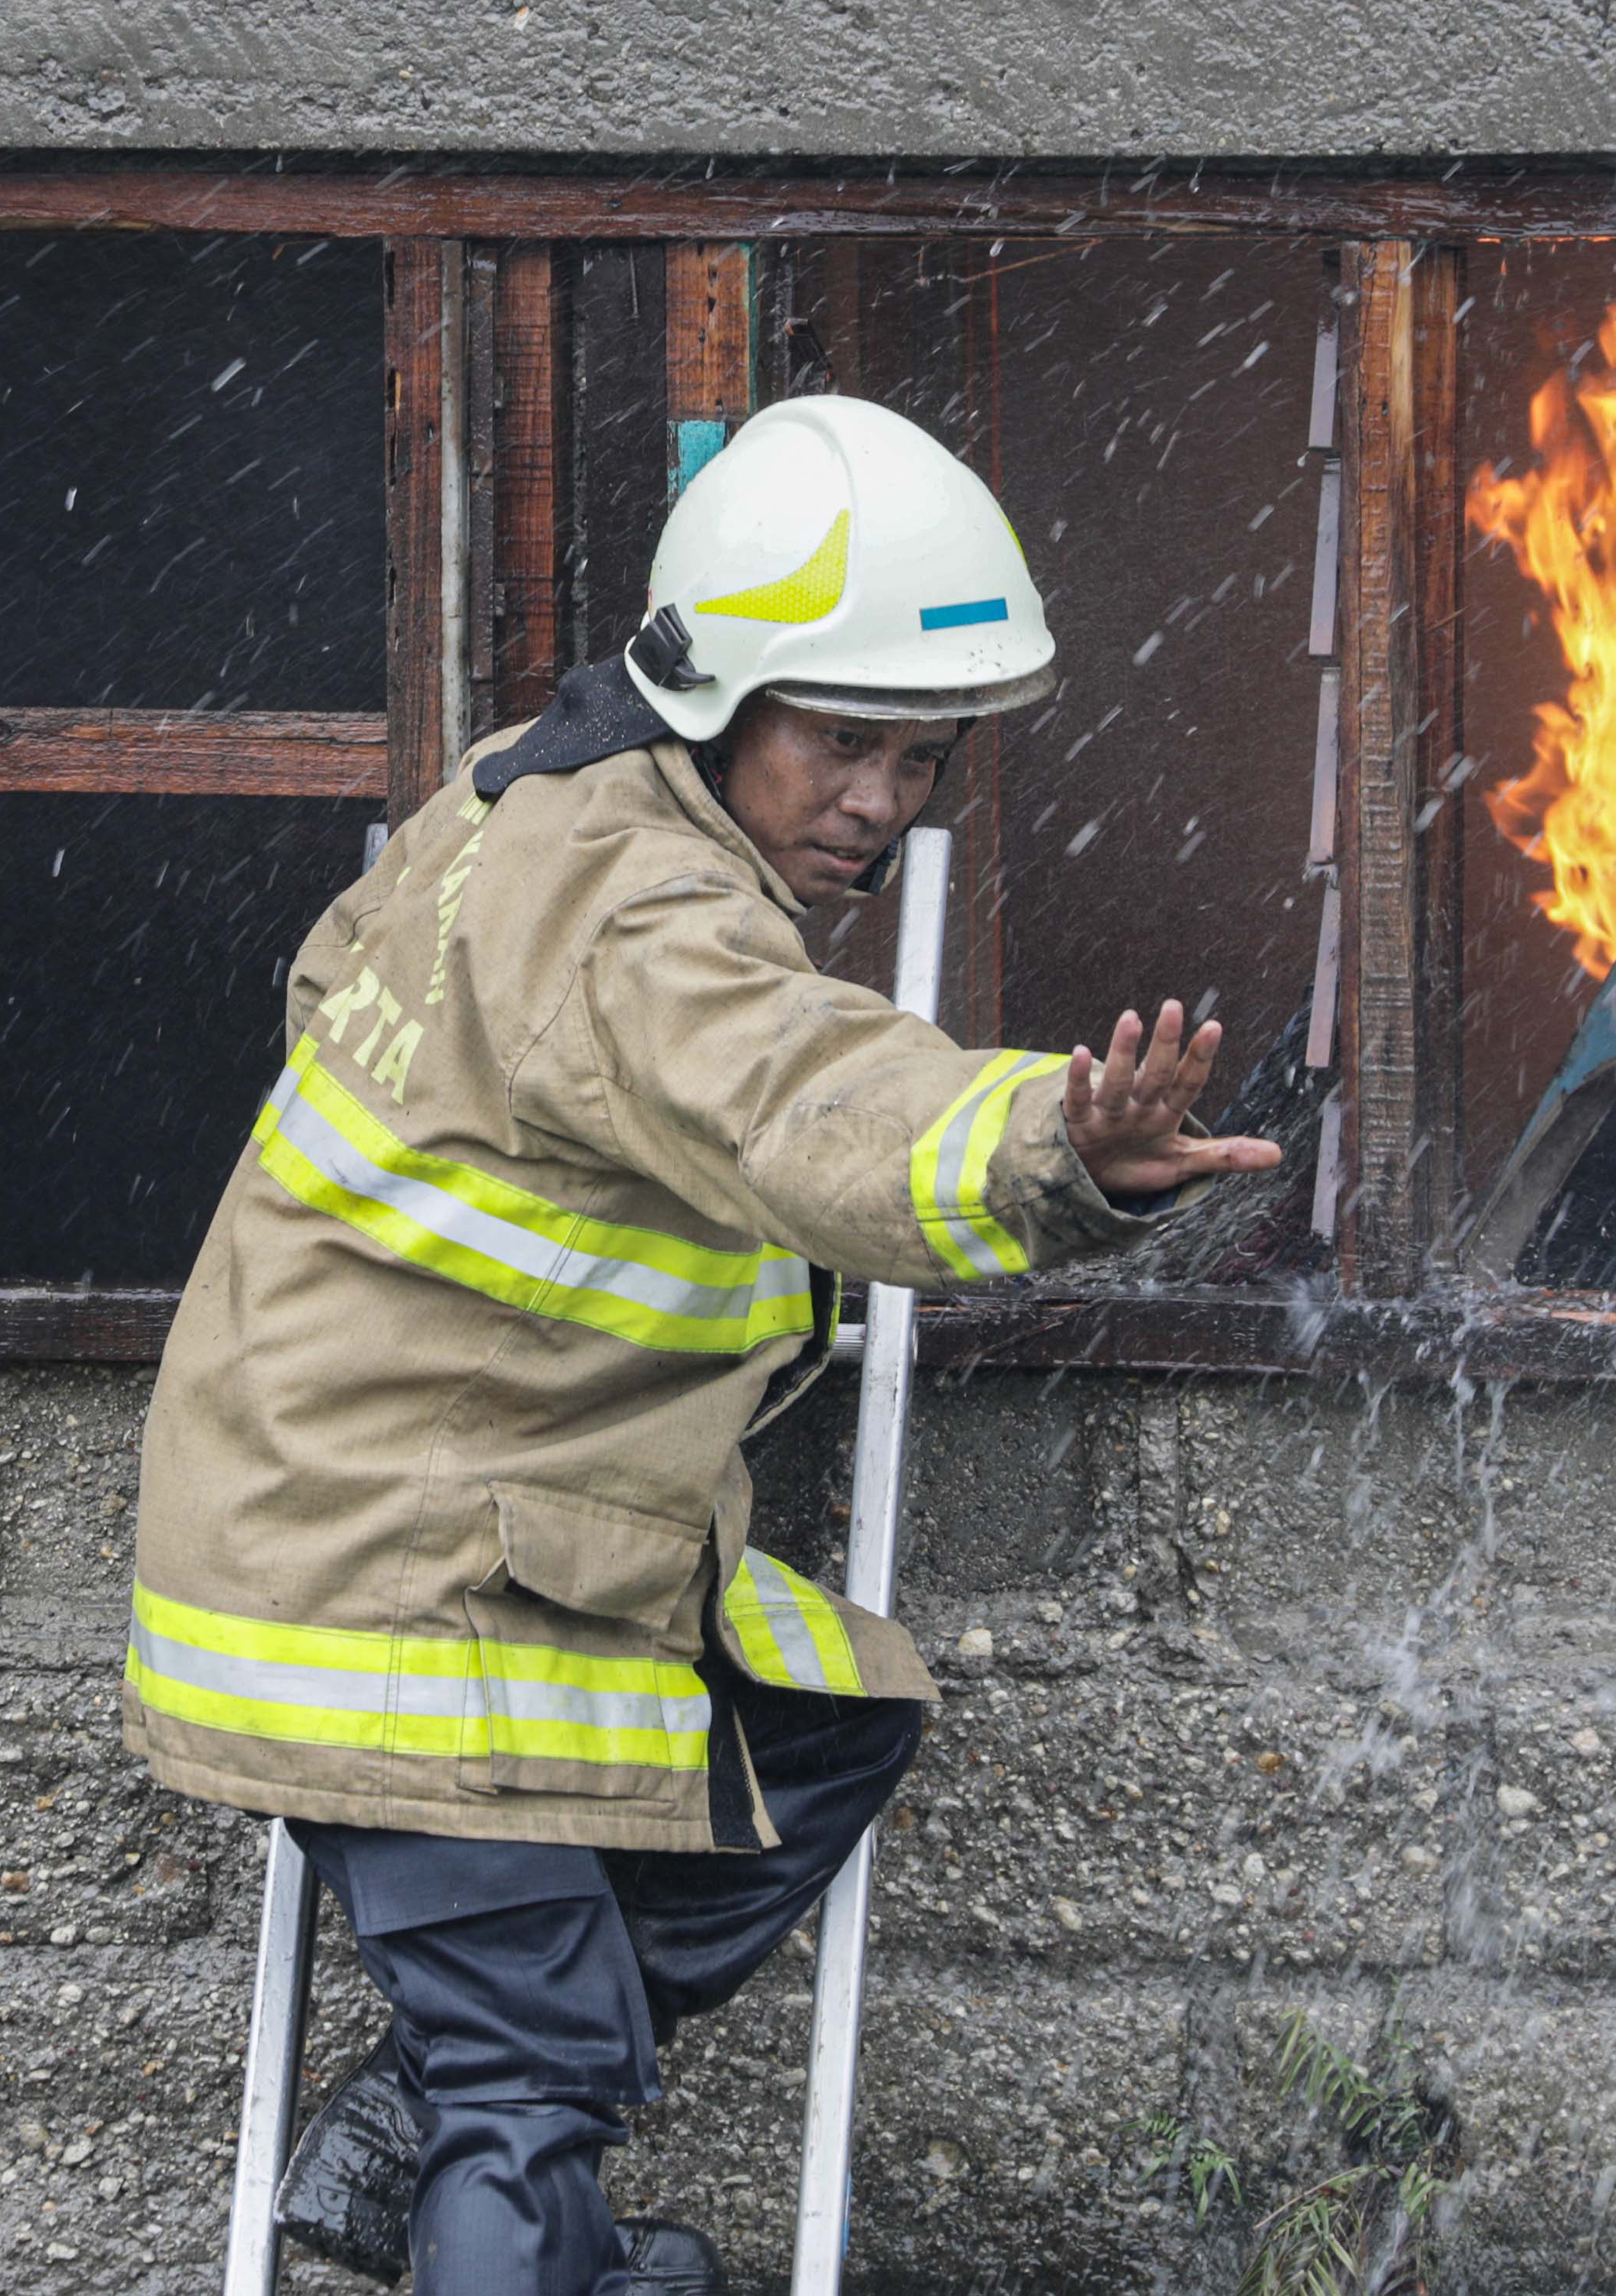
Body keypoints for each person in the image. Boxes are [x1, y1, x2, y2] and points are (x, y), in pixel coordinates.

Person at [123, 394, 1284, 2296]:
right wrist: (1052, 1148)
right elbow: (800, 1097)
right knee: (538, 2071)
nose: (880, 806)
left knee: (830, 1724)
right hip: (398, 1568)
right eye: (843, 745)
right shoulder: (651, 912)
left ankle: (448, 2147)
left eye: (921, 763)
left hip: (409, 1513)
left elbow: (326, 978)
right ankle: (501, 2181)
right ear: (717, 694)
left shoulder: (522, 784)